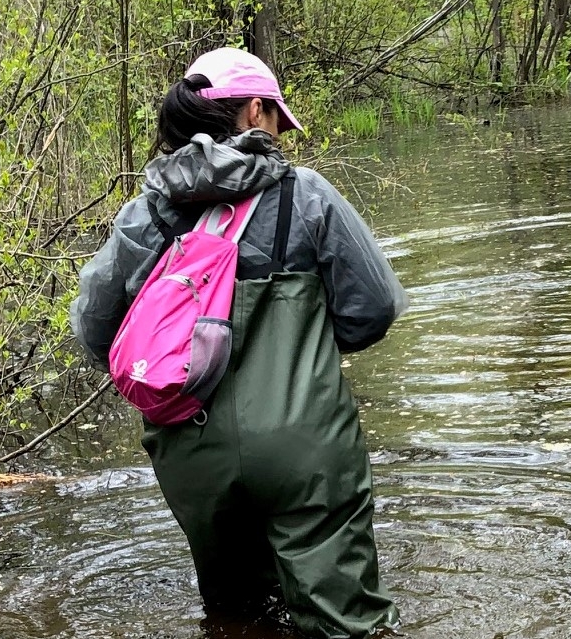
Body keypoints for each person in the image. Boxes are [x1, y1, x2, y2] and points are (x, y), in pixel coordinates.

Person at [70, 47, 407, 639]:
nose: (280, 133)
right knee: (347, 623)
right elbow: (373, 310)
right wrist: (308, 350)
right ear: (255, 111)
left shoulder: (143, 214)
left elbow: (94, 330)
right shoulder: (307, 196)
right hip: (303, 445)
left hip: (191, 452)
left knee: (236, 617)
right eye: (277, 118)